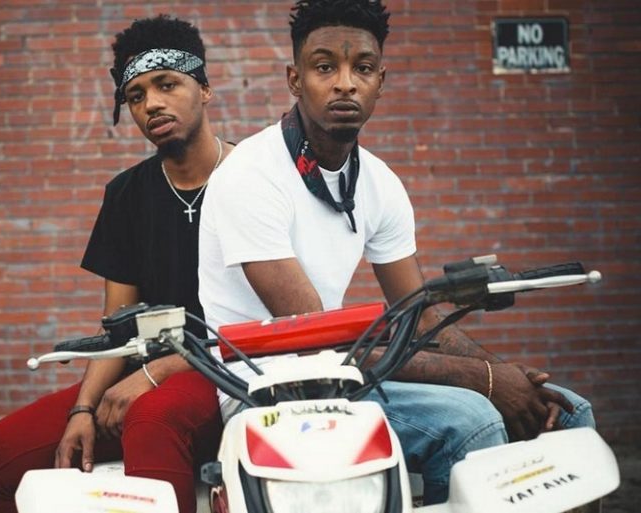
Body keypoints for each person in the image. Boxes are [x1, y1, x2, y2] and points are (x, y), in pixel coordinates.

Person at [198, 0, 595, 505]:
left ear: (381, 81)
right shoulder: (250, 174)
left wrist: (508, 376)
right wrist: (485, 381)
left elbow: (422, 314)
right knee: (471, 422)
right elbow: (314, 338)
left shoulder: (379, 182)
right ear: (295, 80)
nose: (345, 83)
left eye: (362, 68)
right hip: (268, 390)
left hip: (344, 376)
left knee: (568, 412)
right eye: (325, 68)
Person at [0, 15, 230, 513]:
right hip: (140, 372)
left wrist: (156, 375)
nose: (152, 104)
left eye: (167, 84)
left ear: (204, 89)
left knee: (150, 418)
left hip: (226, 371)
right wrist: (83, 408)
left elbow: (276, 321)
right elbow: (118, 326)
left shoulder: (254, 178)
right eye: (136, 95)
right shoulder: (126, 194)